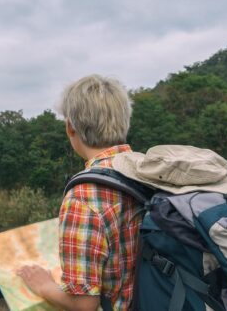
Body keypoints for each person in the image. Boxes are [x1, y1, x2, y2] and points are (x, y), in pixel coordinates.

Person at [17, 74, 142, 311]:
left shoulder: (84, 197)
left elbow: (84, 304)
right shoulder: (147, 169)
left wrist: (43, 285)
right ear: (125, 122)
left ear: (70, 127)